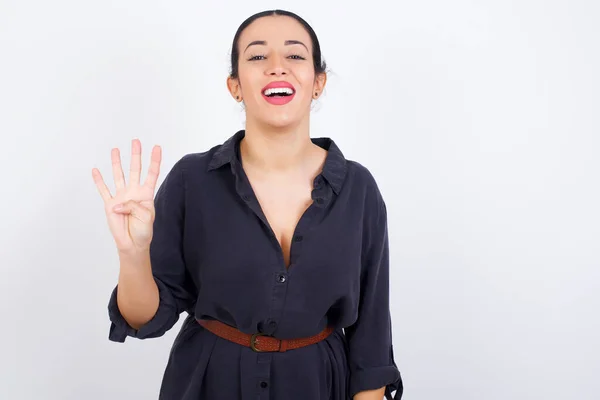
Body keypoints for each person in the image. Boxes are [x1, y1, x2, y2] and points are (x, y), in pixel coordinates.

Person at [92, 9, 403, 400]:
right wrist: (132, 253)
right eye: (257, 57)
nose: (277, 67)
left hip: (318, 386)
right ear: (235, 85)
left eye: (295, 56)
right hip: (207, 385)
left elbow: (371, 343)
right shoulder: (193, 180)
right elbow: (144, 319)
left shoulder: (359, 189)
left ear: (317, 82)